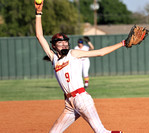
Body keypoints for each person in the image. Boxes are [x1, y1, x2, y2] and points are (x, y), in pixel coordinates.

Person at [35, 1, 124, 133]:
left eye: (66, 42)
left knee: (101, 131)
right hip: (70, 105)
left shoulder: (73, 54)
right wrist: (38, 13)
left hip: (81, 99)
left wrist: (123, 43)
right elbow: (39, 36)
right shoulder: (53, 58)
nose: (64, 45)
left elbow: (100, 52)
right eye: (60, 43)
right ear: (54, 46)